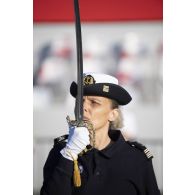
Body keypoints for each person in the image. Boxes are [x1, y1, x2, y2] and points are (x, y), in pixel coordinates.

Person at [40, 72, 160, 195]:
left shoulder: (136, 158)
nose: (83, 108)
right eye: (80, 101)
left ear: (113, 114)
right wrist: (68, 155)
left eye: (94, 102)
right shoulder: (61, 152)